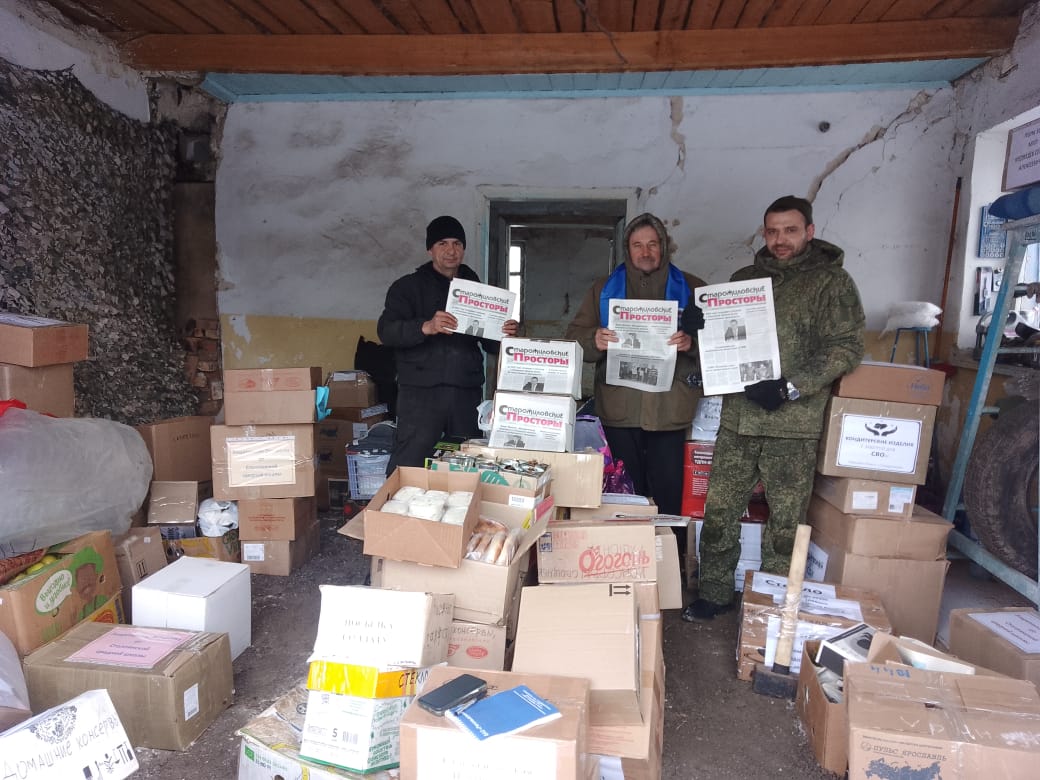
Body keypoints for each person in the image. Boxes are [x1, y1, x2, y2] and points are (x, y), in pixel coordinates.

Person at [684, 195, 865, 622]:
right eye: (772, 231)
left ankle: (769, 606)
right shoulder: (743, 281)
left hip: (793, 424)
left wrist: (790, 387)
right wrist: (699, 329)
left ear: (810, 232)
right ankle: (714, 592)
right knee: (719, 512)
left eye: (790, 230)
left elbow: (847, 347)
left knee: (785, 522)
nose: (780, 240)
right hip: (739, 419)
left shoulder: (832, 283)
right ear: (763, 233)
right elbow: (723, 348)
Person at [566, 212, 705, 516]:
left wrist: (692, 344)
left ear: (664, 246)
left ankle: (668, 545)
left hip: (670, 409)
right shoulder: (603, 289)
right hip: (620, 409)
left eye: (652, 244)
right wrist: (594, 339)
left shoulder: (693, 289)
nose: (645, 252)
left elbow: (723, 345)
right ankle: (627, 545)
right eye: (637, 245)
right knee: (624, 494)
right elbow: (573, 338)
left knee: (669, 496)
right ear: (627, 249)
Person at [377, 216, 519, 472]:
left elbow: (492, 346)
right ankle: (399, 500)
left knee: (466, 463)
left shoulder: (479, 291)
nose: (451, 250)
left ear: (463, 249)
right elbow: (386, 332)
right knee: (410, 463)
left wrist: (506, 335)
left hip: (465, 392)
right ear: (430, 250)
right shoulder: (407, 288)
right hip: (420, 394)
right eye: (442, 243)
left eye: (457, 243)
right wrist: (426, 327)